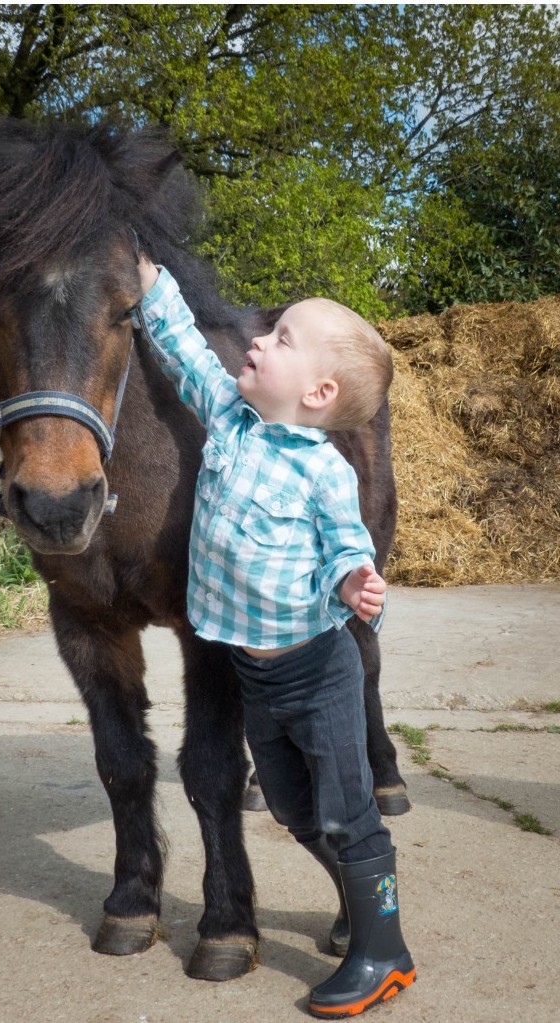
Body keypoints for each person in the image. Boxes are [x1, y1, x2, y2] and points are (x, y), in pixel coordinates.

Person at [135, 257, 415, 1018]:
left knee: (346, 810)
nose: (258, 337)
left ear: (318, 393)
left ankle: (384, 948)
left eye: (281, 337)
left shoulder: (323, 472)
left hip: (319, 673)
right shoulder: (226, 412)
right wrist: (151, 281)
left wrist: (357, 580)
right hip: (258, 680)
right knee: (293, 809)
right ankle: (361, 904)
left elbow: (346, 544)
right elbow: (186, 348)